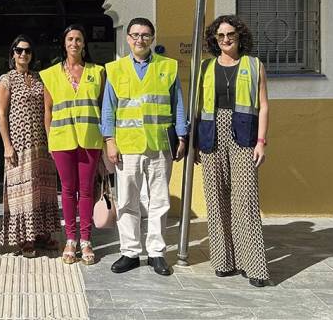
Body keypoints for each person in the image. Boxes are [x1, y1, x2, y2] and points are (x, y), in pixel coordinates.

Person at [102, 17, 186, 276]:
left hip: (160, 144)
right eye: (135, 35)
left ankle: (156, 253)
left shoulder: (168, 67)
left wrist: (182, 136)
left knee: (159, 201)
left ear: (152, 38)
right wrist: (109, 142)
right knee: (127, 200)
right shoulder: (115, 69)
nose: (140, 39)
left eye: (145, 35)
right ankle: (129, 251)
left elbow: (178, 104)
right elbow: (108, 109)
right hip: (127, 147)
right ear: (128, 38)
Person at [196, 15, 270, 287]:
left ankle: (255, 266)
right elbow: (198, 107)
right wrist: (195, 145)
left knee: (245, 199)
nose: (226, 40)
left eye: (230, 34)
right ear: (214, 40)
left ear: (239, 36)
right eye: (220, 36)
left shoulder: (254, 65)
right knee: (215, 198)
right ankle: (223, 261)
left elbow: (263, 105)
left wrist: (261, 141)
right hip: (210, 134)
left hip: (244, 135)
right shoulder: (205, 67)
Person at [40, 24, 105, 265]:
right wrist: (49, 140)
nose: (74, 43)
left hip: (89, 138)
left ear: (84, 44)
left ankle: (86, 239)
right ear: (64, 43)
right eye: (70, 39)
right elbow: (47, 110)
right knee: (67, 190)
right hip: (61, 139)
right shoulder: (50, 74)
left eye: (78, 39)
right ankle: (70, 239)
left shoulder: (98, 72)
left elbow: (102, 106)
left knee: (86, 190)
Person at [0, 35, 60, 257]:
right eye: (19, 50)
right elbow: (2, 115)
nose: (24, 54)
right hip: (19, 145)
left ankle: (41, 233)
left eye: (28, 51)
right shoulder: (6, 80)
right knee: (21, 192)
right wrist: (6, 145)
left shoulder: (39, 78)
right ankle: (25, 238)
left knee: (42, 188)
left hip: (40, 143)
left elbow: (48, 110)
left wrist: (52, 140)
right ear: (13, 53)